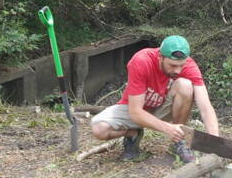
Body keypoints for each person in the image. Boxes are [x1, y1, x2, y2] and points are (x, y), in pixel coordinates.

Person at [90, 35, 219, 163]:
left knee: (185, 86)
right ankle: (132, 133)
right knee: (99, 129)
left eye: (181, 65)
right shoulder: (141, 61)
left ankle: (179, 141)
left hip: (162, 108)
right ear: (160, 57)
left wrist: (216, 142)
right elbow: (135, 112)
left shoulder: (189, 66)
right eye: (173, 65)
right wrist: (167, 128)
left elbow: (205, 107)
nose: (178, 70)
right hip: (134, 110)